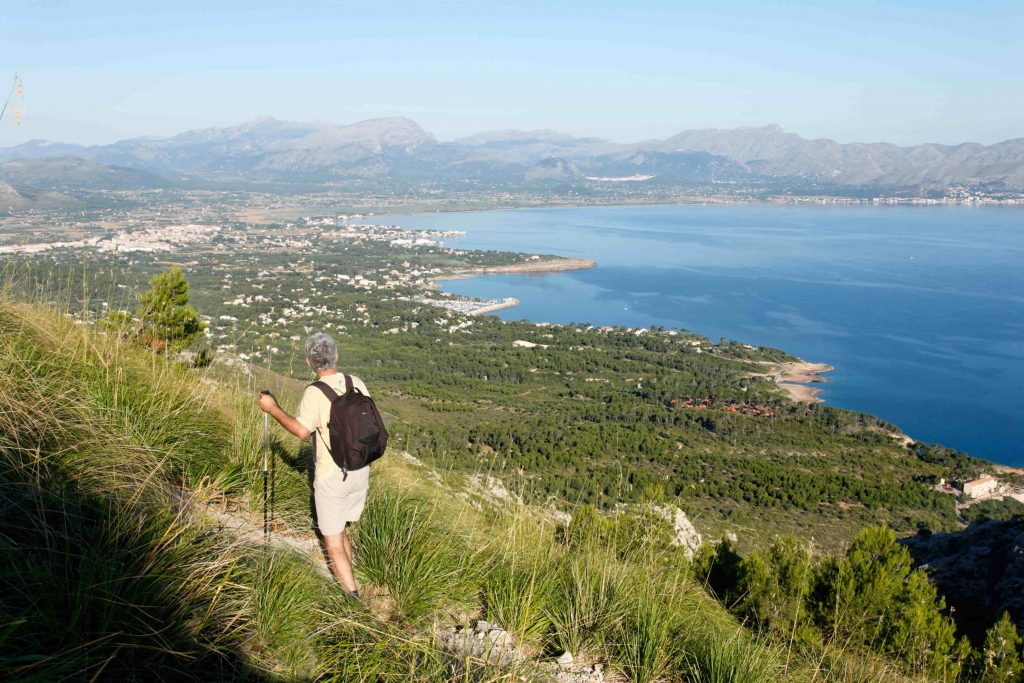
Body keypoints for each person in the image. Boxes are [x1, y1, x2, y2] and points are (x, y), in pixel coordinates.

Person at [258, 332, 371, 596]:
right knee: (342, 529)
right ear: (337, 357)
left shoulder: (314, 392)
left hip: (333, 476)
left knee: (331, 540)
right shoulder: (356, 383)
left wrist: (272, 408)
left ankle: (352, 600)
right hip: (361, 469)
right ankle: (350, 575)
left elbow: (301, 431)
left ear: (309, 363)